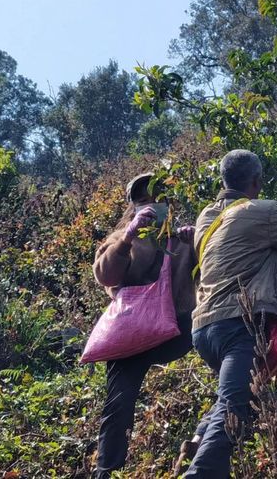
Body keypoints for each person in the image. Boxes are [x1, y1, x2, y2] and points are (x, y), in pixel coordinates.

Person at [182, 149, 277, 478]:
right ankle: (201, 473)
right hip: (238, 325)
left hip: (203, 330)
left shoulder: (205, 218)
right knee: (234, 406)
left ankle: (200, 436)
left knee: (233, 392)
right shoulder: (266, 211)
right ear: (257, 181)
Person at [91, 172, 197, 478]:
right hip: (132, 334)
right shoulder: (120, 237)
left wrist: (197, 242)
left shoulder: (181, 236)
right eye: (142, 201)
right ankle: (106, 471)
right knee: (119, 405)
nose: (150, 205)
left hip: (177, 328)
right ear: (132, 208)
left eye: (157, 199)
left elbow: (209, 275)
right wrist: (128, 238)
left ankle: (211, 435)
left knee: (220, 346)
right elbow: (106, 276)